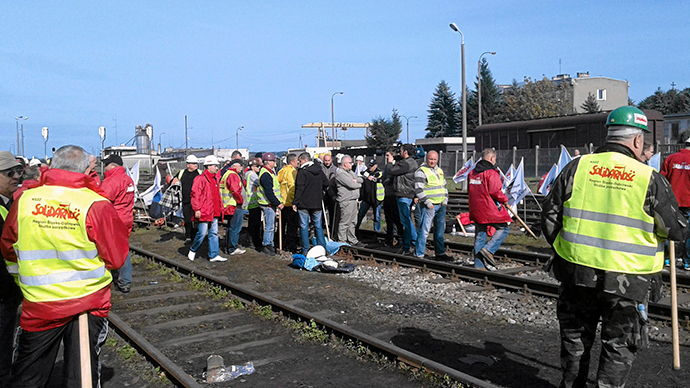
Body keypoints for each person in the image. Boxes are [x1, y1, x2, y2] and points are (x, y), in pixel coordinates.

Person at [542, 106, 688, 388]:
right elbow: (675, 230)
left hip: (576, 275)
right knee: (618, 346)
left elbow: (549, 221)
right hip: (629, 282)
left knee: (575, 341)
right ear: (636, 141)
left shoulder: (576, 168)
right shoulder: (649, 178)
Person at [1, 145, 128, 388]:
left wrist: (23, 281)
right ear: (84, 169)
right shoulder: (95, 203)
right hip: (87, 301)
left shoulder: (26, 200)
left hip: (40, 303)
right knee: (81, 374)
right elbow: (116, 257)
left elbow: (9, 247)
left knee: (29, 372)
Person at [0, 152, 23, 386]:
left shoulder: (10, 203)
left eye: (19, 172)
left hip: (8, 293)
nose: (16, 177)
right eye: (9, 173)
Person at [468, 149, 511, 270]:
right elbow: (495, 191)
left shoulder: (472, 173)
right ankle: (489, 249)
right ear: (492, 159)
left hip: (476, 209)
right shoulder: (491, 173)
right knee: (504, 228)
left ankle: (479, 265)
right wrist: (504, 199)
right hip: (489, 209)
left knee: (480, 234)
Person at [100, 154, 135, 293]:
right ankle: (125, 281)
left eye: (106, 164)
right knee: (123, 248)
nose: (104, 167)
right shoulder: (127, 179)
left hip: (113, 219)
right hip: (125, 217)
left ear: (113, 165)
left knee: (108, 248)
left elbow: (102, 201)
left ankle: (110, 279)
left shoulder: (112, 181)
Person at [188, 155, 227, 262]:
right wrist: (197, 209)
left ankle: (213, 255)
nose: (217, 168)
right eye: (215, 165)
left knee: (213, 232)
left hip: (213, 210)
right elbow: (195, 195)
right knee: (202, 232)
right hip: (205, 211)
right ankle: (193, 249)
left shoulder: (215, 179)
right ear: (208, 166)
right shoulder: (200, 179)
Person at [660, 136, 690, 270]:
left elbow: (662, 179)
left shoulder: (671, 158)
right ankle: (687, 261)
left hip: (672, 201)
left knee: (670, 230)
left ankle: (667, 259)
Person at [414, 151, 450, 260]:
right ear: (426, 159)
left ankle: (440, 253)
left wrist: (445, 201)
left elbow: (444, 186)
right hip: (429, 206)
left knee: (439, 231)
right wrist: (428, 204)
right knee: (424, 231)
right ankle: (419, 254)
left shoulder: (439, 171)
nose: (432, 161)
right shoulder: (421, 171)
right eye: (431, 159)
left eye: (434, 159)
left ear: (437, 159)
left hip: (440, 205)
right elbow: (419, 190)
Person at [293, 152, 329, 253]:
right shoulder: (319, 170)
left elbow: (299, 188)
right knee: (318, 225)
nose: (299, 163)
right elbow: (326, 183)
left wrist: (295, 202)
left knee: (304, 226)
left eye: (300, 161)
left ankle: (305, 249)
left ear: (304, 160)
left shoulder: (302, 172)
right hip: (317, 202)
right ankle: (322, 248)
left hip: (304, 203)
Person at [387, 144, 419, 254]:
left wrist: (390, 162)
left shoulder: (406, 164)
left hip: (404, 195)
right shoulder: (411, 162)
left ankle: (412, 244)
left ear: (405, 152)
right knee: (407, 221)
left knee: (406, 221)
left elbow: (391, 171)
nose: (399, 153)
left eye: (400, 151)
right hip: (408, 194)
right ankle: (410, 244)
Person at [257, 152, 283, 256]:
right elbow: (269, 192)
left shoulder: (268, 172)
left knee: (270, 225)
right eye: (272, 161)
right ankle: (267, 245)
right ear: (268, 162)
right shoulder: (266, 174)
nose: (274, 163)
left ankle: (270, 244)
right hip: (267, 204)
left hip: (268, 203)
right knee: (269, 226)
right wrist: (278, 203)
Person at [219, 159, 246, 256]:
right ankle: (232, 248)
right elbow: (235, 191)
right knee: (235, 227)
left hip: (227, 205)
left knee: (230, 227)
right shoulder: (233, 175)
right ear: (235, 166)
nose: (242, 168)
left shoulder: (226, 174)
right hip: (234, 205)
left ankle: (228, 247)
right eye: (240, 166)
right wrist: (241, 201)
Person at [336, 156, 363, 246]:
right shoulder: (340, 173)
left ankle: (352, 239)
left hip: (353, 200)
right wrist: (357, 183)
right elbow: (351, 184)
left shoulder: (350, 172)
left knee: (353, 221)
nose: (352, 164)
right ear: (345, 164)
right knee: (345, 221)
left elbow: (360, 179)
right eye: (350, 163)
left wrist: (356, 181)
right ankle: (342, 240)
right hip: (346, 200)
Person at [177, 155, 201, 243]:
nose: (196, 165)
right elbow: (173, 182)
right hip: (185, 201)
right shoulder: (181, 173)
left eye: (196, 163)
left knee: (196, 220)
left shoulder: (199, 173)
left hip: (197, 201)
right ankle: (188, 236)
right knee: (187, 219)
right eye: (194, 163)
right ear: (188, 165)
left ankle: (195, 236)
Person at [277, 154, 299, 252]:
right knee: (292, 226)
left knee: (281, 226)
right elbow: (293, 188)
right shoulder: (293, 172)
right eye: (296, 161)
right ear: (292, 162)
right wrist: (295, 201)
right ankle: (291, 245)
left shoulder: (281, 171)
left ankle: (279, 242)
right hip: (290, 203)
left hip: (282, 203)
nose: (298, 162)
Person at [355, 158, 384, 233]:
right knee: (360, 215)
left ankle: (377, 232)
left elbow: (380, 179)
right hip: (366, 198)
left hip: (376, 199)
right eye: (369, 166)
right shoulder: (366, 172)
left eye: (372, 166)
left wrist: (373, 178)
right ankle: (355, 229)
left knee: (377, 217)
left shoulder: (379, 173)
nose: (370, 167)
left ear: (376, 166)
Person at [381, 149, 403, 247]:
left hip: (394, 195)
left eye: (387, 155)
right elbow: (384, 179)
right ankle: (389, 238)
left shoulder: (397, 166)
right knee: (388, 218)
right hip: (388, 194)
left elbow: (391, 176)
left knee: (397, 218)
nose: (386, 157)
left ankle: (400, 238)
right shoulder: (388, 166)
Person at [245, 158, 263, 251]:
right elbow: (260, 184)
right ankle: (253, 242)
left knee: (252, 223)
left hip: (250, 202)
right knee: (254, 224)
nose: (259, 168)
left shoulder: (247, 174)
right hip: (254, 202)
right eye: (257, 166)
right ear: (252, 167)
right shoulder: (253, 175)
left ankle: (251, 242)